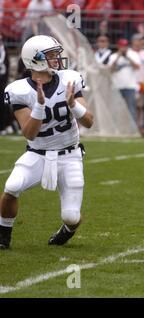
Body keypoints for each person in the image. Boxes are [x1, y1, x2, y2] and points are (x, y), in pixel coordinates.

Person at [0, 35, 94, 249]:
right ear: (36, 59)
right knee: (11, 187)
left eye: (56, 54)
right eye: (52, 55)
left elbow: (88, 122)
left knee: (71, 217)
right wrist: (40, 106)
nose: (57, 59)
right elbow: (29, 134)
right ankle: (3, 234)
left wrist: (73, 105)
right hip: (37, 153)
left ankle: (67, 230)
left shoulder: (70, 79)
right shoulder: (18, 90)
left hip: (69, 155)